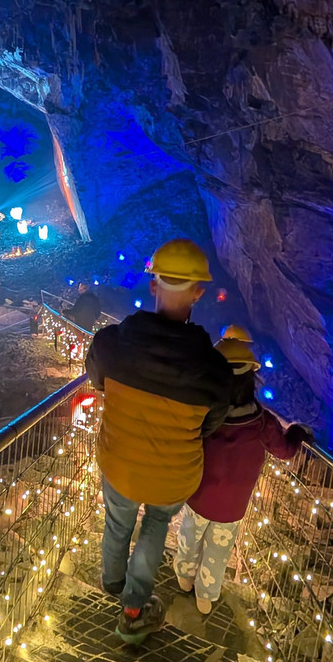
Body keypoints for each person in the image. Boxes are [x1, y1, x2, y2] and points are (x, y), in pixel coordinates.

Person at [85, 238, 233, 644]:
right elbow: (210, 425)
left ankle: (111, 581)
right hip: (174, 476)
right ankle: (133, 606)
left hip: (120, 465)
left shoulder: (111, 344)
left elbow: (97, 381)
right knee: (155, 525)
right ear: (199, 293)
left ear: (153, 286)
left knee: (118, 522)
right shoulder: (215, 370)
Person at [174, 332, 310, 614]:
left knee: (189, 536)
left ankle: (183, 576)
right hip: (233, 506)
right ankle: (205, 596)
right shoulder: (263, 424)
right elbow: (285, 451)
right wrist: (296, 432)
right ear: (251, 380)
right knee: (218, 552)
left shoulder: (202, 414)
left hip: (198, 494)